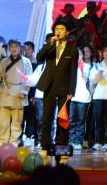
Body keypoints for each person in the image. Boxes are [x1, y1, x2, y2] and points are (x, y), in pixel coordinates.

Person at [36, 21, 79, 153]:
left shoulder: (72, 50)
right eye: (57, 29)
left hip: (64, 87)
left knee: (62, 118)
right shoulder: (50, 46)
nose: (59, 31)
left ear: (67, 32)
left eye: (61, 29)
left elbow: (73, 71)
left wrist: (71, 90)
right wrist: (50, 43)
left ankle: (61, 144)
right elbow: (39, 57)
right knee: (47, 117)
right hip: (49, 85)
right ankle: (45, 144)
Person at [0, 39, 33, 145]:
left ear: (20, 48)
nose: (14, 49)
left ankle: (14, 141)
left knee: (17, 120)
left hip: (18, 92)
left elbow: (29, 79)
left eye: (16, 46)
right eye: (11, 46)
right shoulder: (4, 61)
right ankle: (3, 140)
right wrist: (0, 75)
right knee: (3, 119)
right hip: (5, 91)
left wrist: (24, 92)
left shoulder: (26, 61)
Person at [69, 47, 93, 151]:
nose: (77, 56)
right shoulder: (70, 67)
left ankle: (78, 142)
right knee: (71, 120)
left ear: (82, 55)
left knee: (80, 121)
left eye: (79, 54)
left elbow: (92, 82)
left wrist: (86, 78)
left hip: (83, 98)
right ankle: (71, 140)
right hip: (72, 97)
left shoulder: (88, 67)